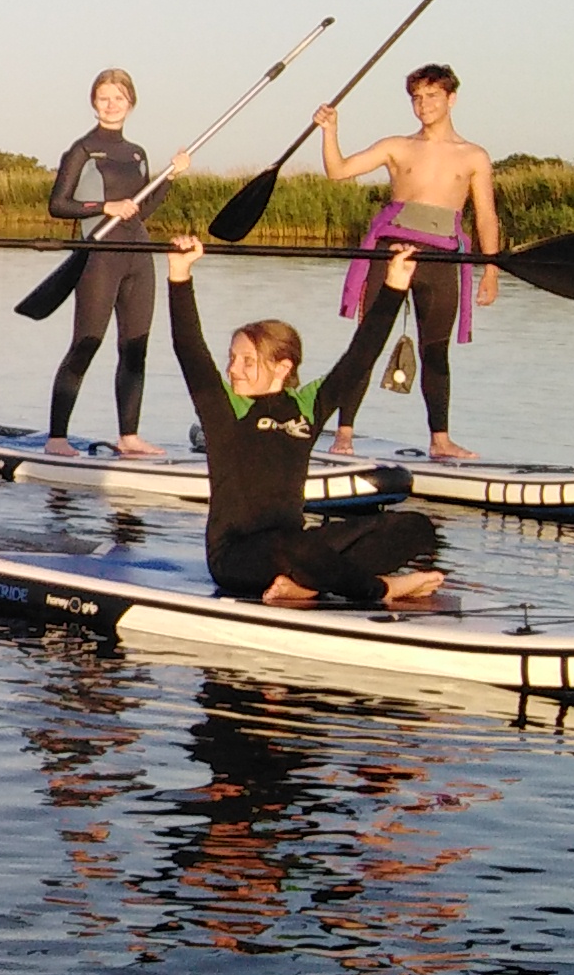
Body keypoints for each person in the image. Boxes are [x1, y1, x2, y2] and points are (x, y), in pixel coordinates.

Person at [163, 229, 447, 609]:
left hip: (294, 546)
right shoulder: (225, 409)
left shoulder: (306, 406)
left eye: (247, 361)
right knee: (292, 546)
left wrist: (396, 284)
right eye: (232, 358)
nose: (233, 369)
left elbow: (360, 356)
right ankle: (381, 589)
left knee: (414, 526)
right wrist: (179, 274)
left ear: (283, 366)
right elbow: (190, 350)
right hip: (236, 557)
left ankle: (307, 584)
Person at [313, 64, 499, 460]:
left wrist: (492, 270)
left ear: (451, 99)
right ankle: (344, 432)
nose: (423, 104)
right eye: (416, 97)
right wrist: (330, 132)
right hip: (391, 252)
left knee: (436, 350)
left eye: (432, 96)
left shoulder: (474, 156)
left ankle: (441, 440)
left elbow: (485, 216)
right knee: (367, 343)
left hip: (442, 256)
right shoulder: (396, 146)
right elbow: (338, 171)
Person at [43, 67, 161, 455]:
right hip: (98, 256)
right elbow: (58, 205)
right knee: (86, 343)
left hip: (139, 257)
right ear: (94, 103)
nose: (111, 105)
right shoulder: (81, 150)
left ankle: (129, 436)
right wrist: (104, 206)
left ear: (131, 103)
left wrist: (171, 178)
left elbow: (142, 211)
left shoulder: (138, 152)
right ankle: (57, 438)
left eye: (118, 98)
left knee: (135, 347)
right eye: (103, 98)